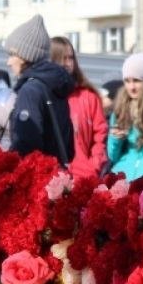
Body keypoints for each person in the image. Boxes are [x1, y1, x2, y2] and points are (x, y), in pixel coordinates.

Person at [6, 15, 75, 162]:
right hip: (56, 175)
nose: (8, 62)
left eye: (12, 54)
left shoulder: (30, 91)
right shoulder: (54, 85)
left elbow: (25, 144)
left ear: (25, 55)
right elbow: (69, 147)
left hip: (36, 178)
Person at [50, 36, 108, 180]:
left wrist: (93, 165)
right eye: (62, 58)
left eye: (71, 58)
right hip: (51, 180)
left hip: (84, 178)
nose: (68, 63)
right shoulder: (44, 95)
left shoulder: (88, 96)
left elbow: (100, 137)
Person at [107, 53, 143, 183]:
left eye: (136, 80)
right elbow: (113, 156)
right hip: (122, 174)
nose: (131, 87)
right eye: (127, 81)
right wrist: (115, 139)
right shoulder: (120, 109)